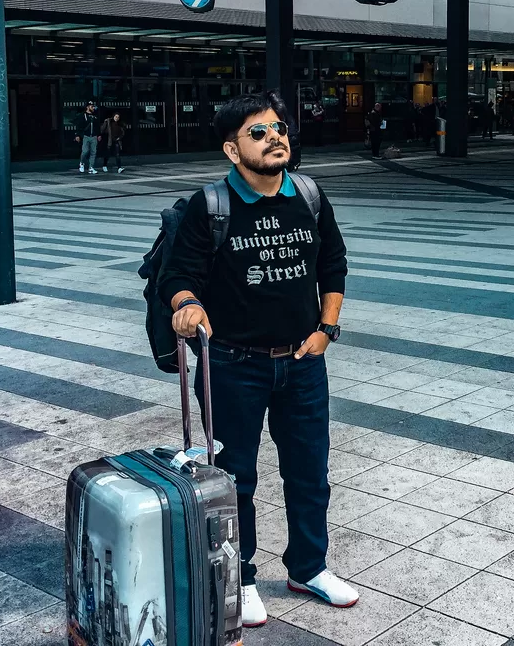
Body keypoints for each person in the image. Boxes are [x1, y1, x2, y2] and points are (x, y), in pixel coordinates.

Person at [158, 90, 357, 628]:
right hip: (231, 365)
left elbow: (333, 265)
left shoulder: (310, 195)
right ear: (231, 149)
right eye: (259, 132)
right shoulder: (211, 206)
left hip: (302, 364)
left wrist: (326, 329)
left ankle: (308, 567)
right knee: (235, 479)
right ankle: (239, 578)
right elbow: (179, 276)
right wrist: (187, 305)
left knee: (310, 472)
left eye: (279, 130)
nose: (275, 139)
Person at [75, 101, 99, 174]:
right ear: (87, 107)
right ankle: (81, 163)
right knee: (85, 151)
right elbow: (79, 126)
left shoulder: (95, 116)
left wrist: (99, 134)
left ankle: (91, 167)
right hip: (86, 136)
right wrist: (77, 135)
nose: (93, 108)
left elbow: (97, 126)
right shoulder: (83, 115)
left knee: (93, 152)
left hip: (94, 136)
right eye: (91, 106)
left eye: (93, 106)